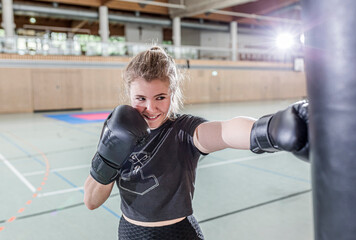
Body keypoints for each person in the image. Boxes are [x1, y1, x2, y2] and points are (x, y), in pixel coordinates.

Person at [83, 46, 309, 240]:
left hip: (178, 233)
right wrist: (108, 157)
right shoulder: (117, 129)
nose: (151, 108)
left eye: (160, 97)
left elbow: (225, 131)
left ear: (172, 93)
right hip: (131, 233)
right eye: (141, 98)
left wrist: (270, 129)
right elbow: (91, 201)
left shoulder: (184, 130)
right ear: (129, 94)